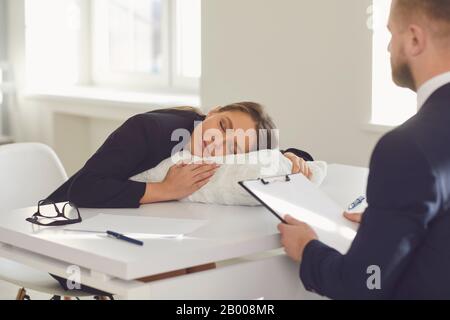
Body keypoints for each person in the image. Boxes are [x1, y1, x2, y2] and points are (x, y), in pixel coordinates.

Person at [279, 0, 450, 299]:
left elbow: (363, 285)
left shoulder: (407, 147)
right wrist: (387, 223)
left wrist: (307, 249)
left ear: (413, 39)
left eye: (391, 34)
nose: (388, 48)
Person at [47, 102, 313, 208]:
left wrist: (289, 156)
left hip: (125, 233)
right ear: (214, 111)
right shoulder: (149, 129)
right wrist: (165, 189)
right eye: (222, 126)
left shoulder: (226, 154)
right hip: (60, 232)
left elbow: (279, 154)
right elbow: (82, 190)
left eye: (232, 148)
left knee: (197, 267)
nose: (216, 141)